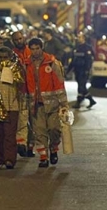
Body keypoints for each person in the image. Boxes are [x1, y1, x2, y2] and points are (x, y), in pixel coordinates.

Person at [25, 38, 69, 168]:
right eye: (32, 49)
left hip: (53, 105)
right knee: (40, 132)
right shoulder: (27, 64)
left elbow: (59, 84)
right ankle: (43, 157)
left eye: (37, 48)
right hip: (36, 105)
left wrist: (63, 104)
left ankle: (54, 148)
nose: (35, 51)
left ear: (41, 47)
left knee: (54, 129)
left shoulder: (52, 63)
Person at [11, 31, 35, 158]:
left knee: (34, 120)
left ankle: (30, 146)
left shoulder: (31, 52)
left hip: (33, 92)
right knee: (22, 119)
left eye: (20, 38)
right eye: (16, 39)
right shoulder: (12, 55)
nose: (19, 41)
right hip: (21, 91)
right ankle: (22, 144)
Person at [67, 32, 96, 109]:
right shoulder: (76, 47)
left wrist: (87, 70)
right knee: (81, 86)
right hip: (77, 70)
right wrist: (68, 70)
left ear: (84, 38)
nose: (78, 38)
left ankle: (79, 101)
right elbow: (73, 60)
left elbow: (89, 60)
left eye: (80, 37)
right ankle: (91, 100)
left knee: (81, 87)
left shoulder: (87, 48)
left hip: (83, 71)